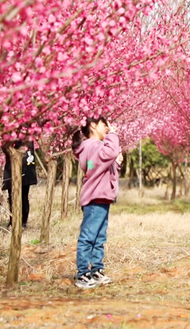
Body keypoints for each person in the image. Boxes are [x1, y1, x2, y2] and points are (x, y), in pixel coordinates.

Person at [71, 117, 123, 289]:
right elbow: (109, 153)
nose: (107, 129)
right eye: (104, 125)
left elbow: (99, 166)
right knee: (88, 237)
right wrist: (113, 135)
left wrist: (116, 163)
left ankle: (96, 270)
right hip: (95, 197)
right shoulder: (92, 146)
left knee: (99, 237)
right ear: (93, 126)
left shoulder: (93, 147)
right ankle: (83, 273)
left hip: (101, 196)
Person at [2, 140, 37, 228]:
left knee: (23, 196)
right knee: (12, 196)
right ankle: (14, 220)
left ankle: (22, 222)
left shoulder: (27, 135)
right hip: (12, 168)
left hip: (25, 167)